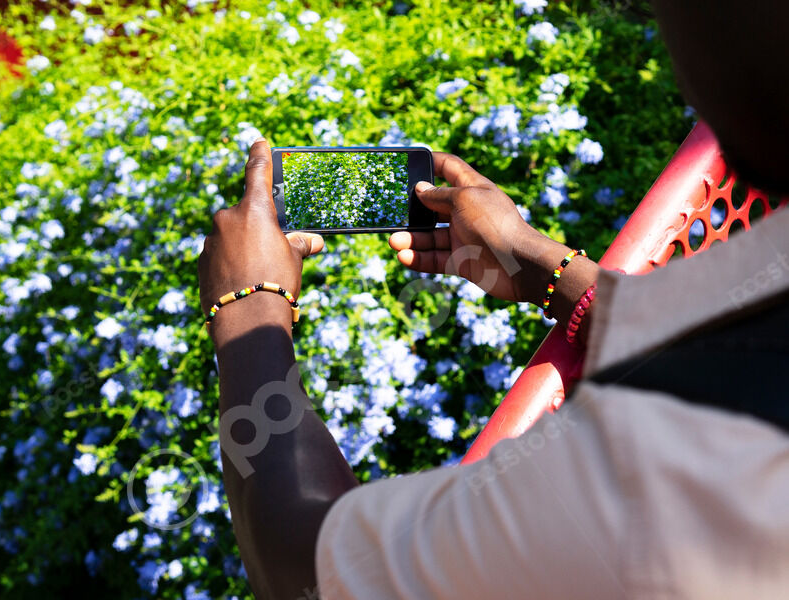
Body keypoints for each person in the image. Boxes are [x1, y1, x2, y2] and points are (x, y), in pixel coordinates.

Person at [197, 1, 789, 598]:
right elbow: (728, 346)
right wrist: (538, 266)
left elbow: (309, 573)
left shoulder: (673, 466)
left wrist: (249, 308)